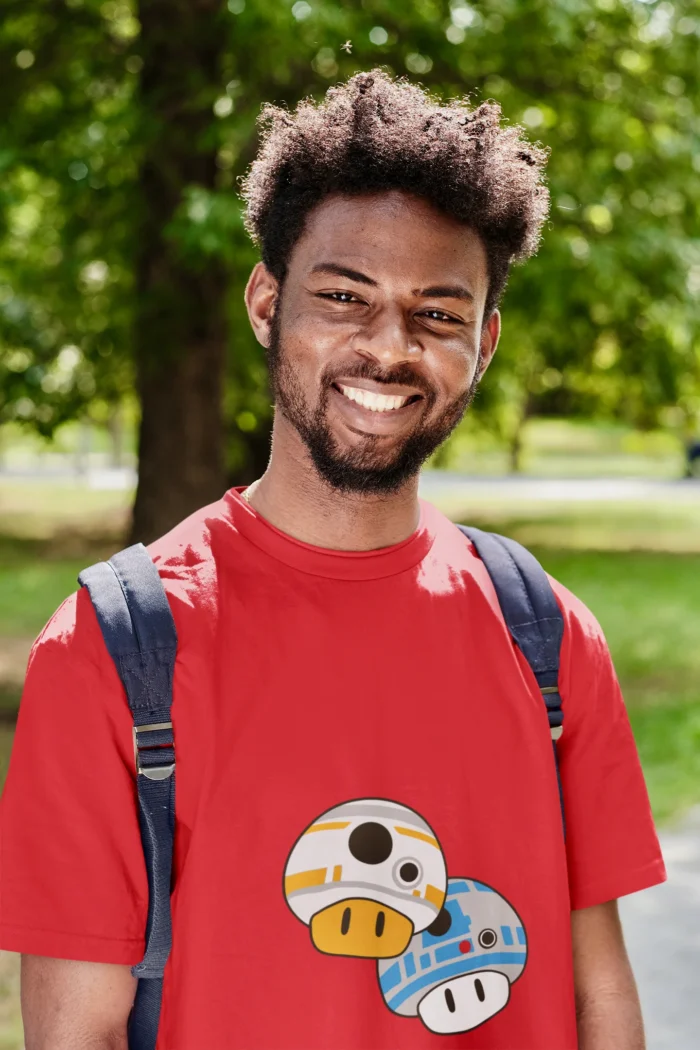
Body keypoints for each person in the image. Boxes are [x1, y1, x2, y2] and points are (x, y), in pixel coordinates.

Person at [0, 71, 665, 1050]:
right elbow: (75, 1037)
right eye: (344, 296)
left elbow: (598, 1002)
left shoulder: (548, 635)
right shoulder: (115, 648)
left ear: (483, 344)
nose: (387, 348)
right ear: (267, 303)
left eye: (437, 313)